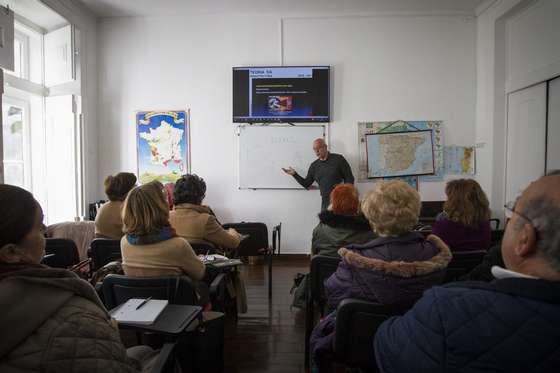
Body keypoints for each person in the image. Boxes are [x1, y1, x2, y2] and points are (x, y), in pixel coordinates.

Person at [374, 172, 560, 373]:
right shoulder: (484, 225)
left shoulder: (444, 308)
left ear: (525, 239)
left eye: (513, 210)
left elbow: (387, 346)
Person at [0, 184, 154, 372]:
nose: (47, 230)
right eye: (39, 228)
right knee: (148, 352)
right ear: (11, 252)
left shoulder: (110, 219)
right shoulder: (76, 318)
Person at [310, 180, 452, 372]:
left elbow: (333, 293)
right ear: (415, 210)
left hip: (361, 344)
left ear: (371, 215)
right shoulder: (435, 254)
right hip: (419, 341)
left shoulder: (355, 259)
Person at [120, 181, 205, 280]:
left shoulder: (124, 242)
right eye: (164, 199)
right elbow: (200, 274)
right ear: (161, 207)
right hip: (174, 295)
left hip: (133, 295)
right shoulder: (178, 245)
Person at [169, 174, 241, 251]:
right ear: (200, 196)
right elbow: (233, 243)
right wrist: (232, 231)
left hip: (173, 262)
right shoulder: (205, 220)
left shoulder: (166, 216)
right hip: (200, 262)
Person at [283, 138, 354, 210]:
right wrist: (294, 174)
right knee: (325, 221)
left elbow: (349, 178)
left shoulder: (338, 159)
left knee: (341, 221)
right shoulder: (314, 166)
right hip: (325, 202)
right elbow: (306, 183)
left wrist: (345, 193)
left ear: (325, 147)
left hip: (340, 199)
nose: (316, 151)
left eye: (319, 148)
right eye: (314, 149)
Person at [311, 183, 376, 257]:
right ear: (357, 204)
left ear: (332, 204)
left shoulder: (319, 230)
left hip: (326, 268)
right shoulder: (370, 233)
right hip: (354, 267)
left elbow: (314, 256)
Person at [431, 179, 492, 251]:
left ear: (454, 201)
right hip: (480, 262)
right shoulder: (485, 225)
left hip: (449, 262)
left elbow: (433, 249)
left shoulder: (442, 226)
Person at [95, 172, 137, 239]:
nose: (137, 188)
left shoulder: (103, 207)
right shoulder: (126, 209)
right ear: (127, 190)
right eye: (134, 185)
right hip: (121, 248)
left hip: (103, 249)